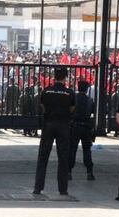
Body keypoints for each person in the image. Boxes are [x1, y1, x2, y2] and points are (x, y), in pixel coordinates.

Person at [33, 67, 75, 195]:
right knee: (63, 158)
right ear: (65, 77)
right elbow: (72, 109)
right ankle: (63, 189)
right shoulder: (69, 93)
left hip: (49, 125)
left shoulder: (46, 91)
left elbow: (42, 107)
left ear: (54, 76)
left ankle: (38, 187)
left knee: (43, 157)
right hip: (63, 125)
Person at [68, 81, 95, 181]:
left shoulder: (73, 98)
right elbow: (92, 112)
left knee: (72, 149)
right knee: (87, 150)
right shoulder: (90, 100)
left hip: (75, 126)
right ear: (87, 89)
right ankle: (89, 172)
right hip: (86, 127)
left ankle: (69, 171)